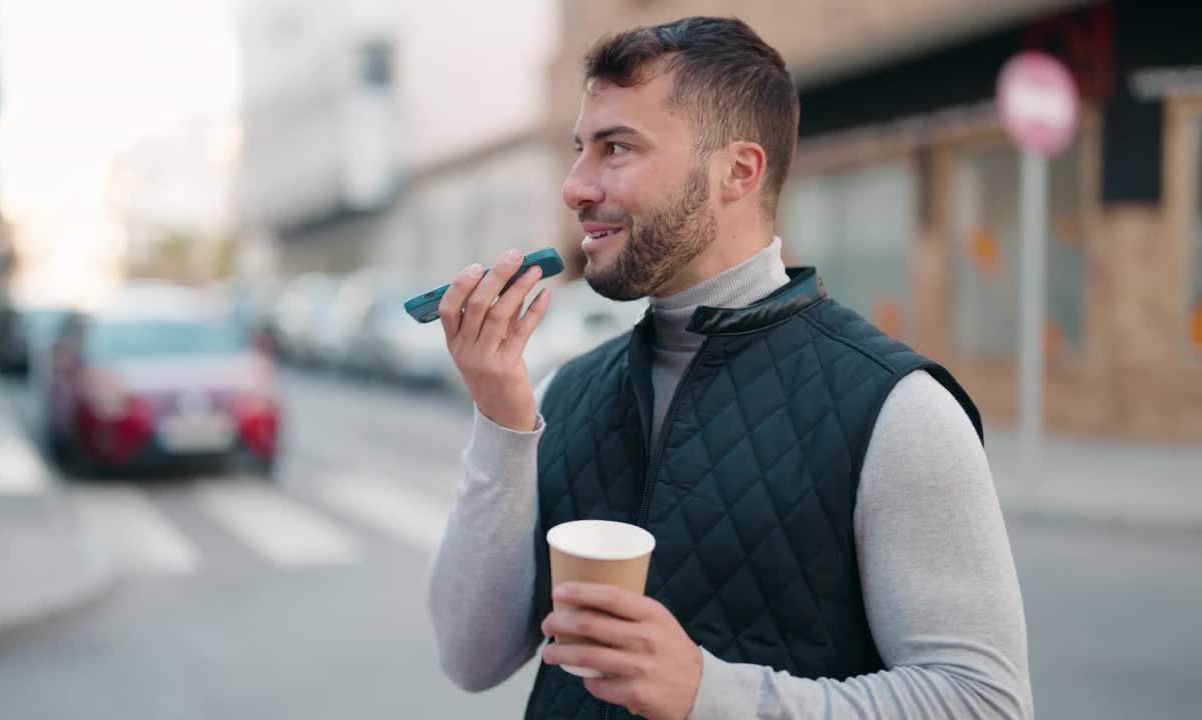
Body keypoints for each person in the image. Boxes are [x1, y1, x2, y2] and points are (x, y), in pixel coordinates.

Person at [427, 16, 1031, 720]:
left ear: (739, 171)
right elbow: (470, 659)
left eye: (616, 148)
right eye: (579, 150)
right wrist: (501, 419)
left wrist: (710, 695)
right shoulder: (575, 389)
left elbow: (984, 703)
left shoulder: (897, 408)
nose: (576, 187)